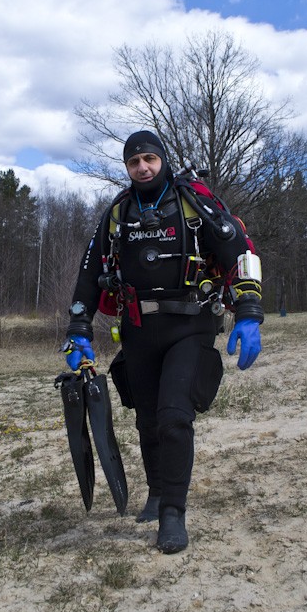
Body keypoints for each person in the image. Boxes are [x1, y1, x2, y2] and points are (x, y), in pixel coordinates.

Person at [61, 131, 263, 554]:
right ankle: (155, 493)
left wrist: (248, 311)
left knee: (174, 417)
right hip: (137, 331)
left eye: (150, 159)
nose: (143, 168)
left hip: (189, 327)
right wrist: (79, 326)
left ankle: (173, 511)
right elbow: (89, 271)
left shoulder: (194, 203)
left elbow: (240, 252)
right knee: (148, 420)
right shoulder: (118, 213)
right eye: (134, 162)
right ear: (127, 168)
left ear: (162, 160)